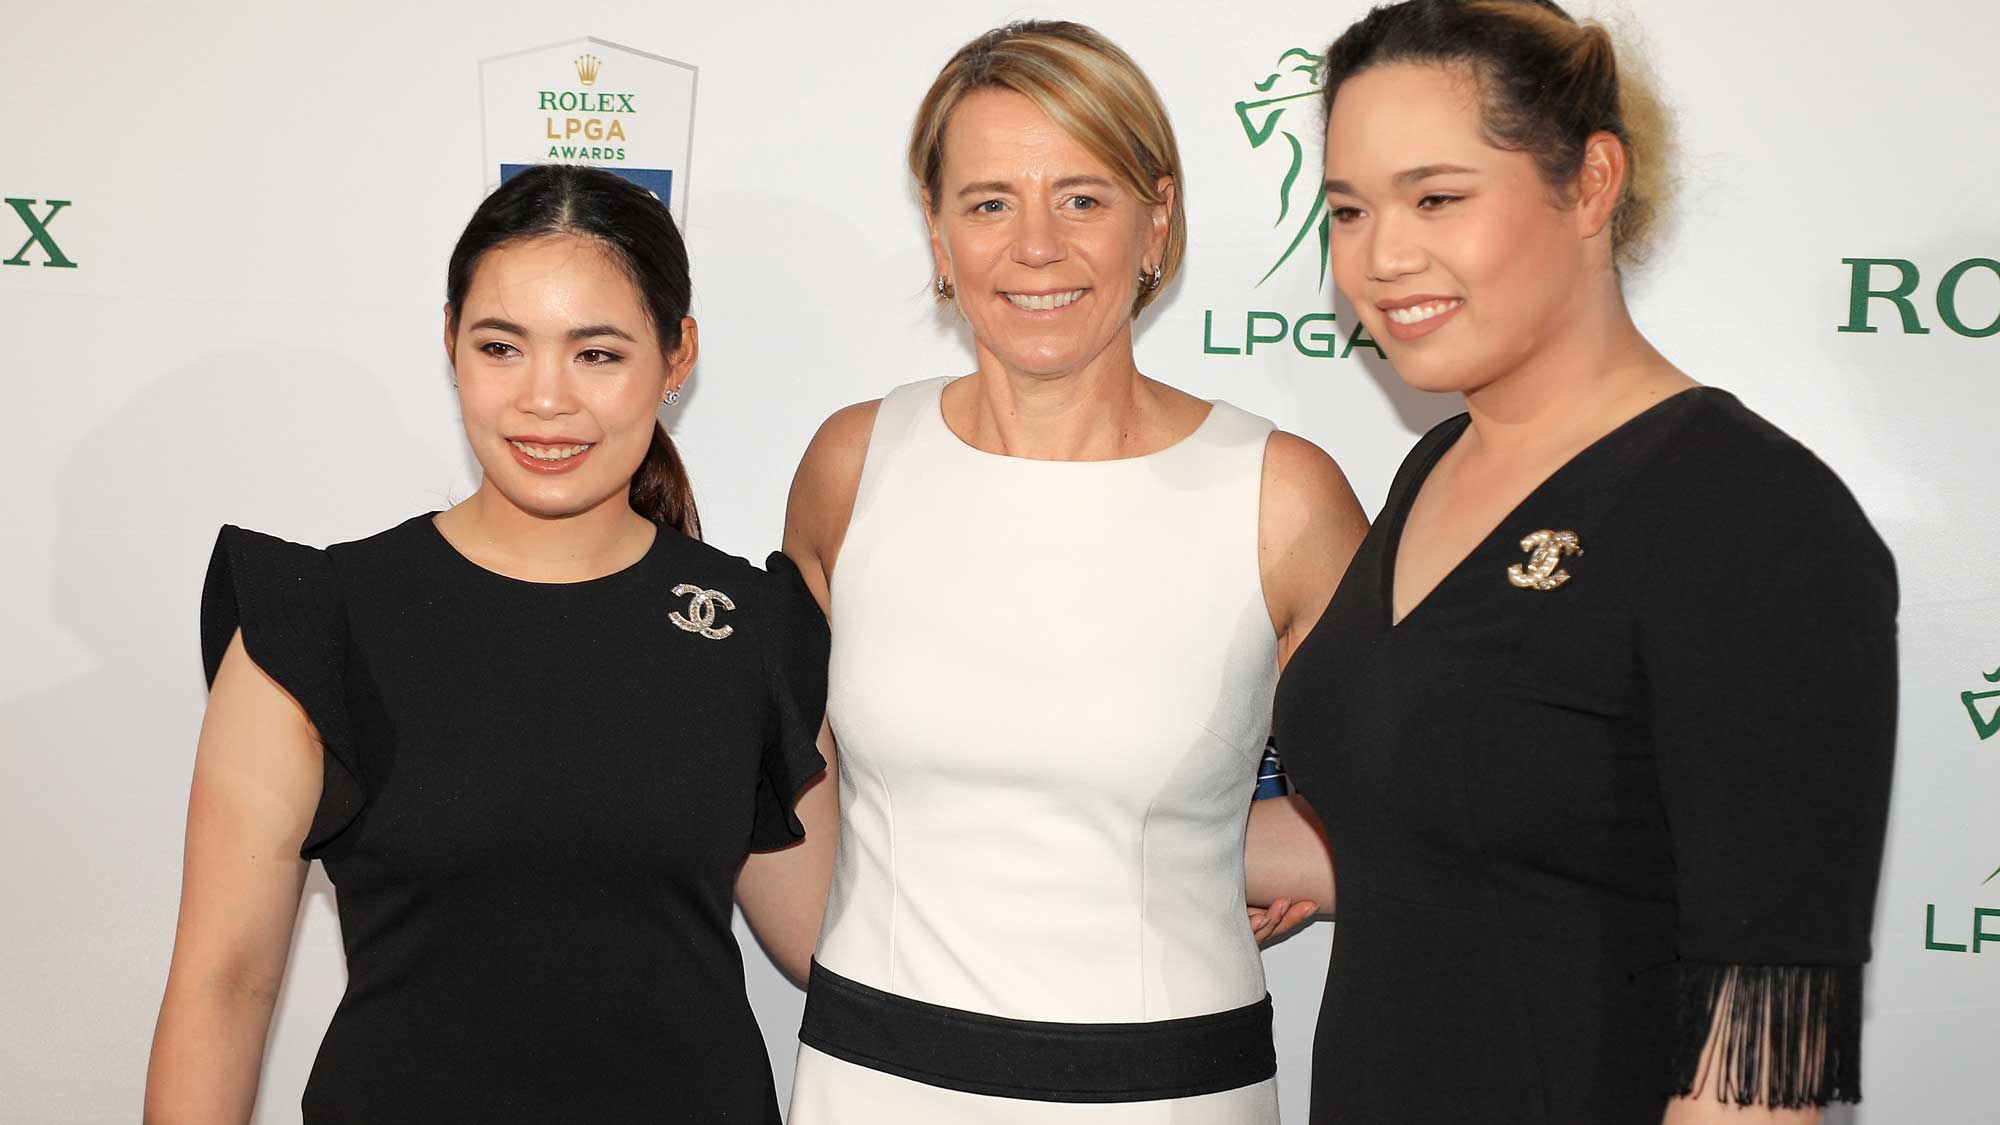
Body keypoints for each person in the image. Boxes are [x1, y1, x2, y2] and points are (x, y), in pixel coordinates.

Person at [1270, 2, 1898, 1122]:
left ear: (1591, 182)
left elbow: (1763, 1051)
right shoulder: (1436, 468)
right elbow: (1459, 844)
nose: (1381, 255)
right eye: (1348, 209)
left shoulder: (1748, 514)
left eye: (1436, 198)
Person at [142, 164, 835, 1124]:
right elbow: (223, 983)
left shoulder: (751, 625)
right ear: (450, 344)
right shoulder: (317, 620)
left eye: (597, 354)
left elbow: (834, 951)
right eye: (503, 347)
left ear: (678, 360)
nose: (544, 400)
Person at [781, 20, 1368, 1123]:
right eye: (989, 200)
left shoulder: (1279, 496)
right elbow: (790, 788)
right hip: (870, 1082)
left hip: (1165, 1094)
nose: (1035, 245)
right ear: (937, 230)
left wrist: (1209, 849)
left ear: (1157, 221)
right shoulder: (850, 466)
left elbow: (1414, 818)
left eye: (1083, 198)